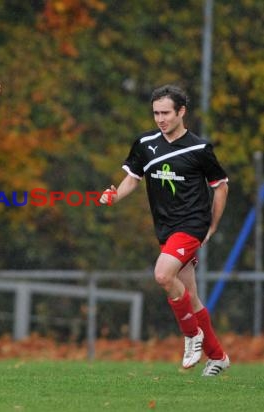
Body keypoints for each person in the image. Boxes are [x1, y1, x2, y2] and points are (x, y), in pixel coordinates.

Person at [99, 84, 230, 377]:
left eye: (166, 113)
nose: (160, 119)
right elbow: (132, 178)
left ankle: (191, 335)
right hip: (166, 228)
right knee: (191, 297)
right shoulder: (145, 143)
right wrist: (115, 195)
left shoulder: (199, 148)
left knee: (162, 275)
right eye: (156, 113)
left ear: (181, 112)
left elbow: (221, 187)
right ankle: (218, 356)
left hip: (192, 224)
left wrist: (211, 226)